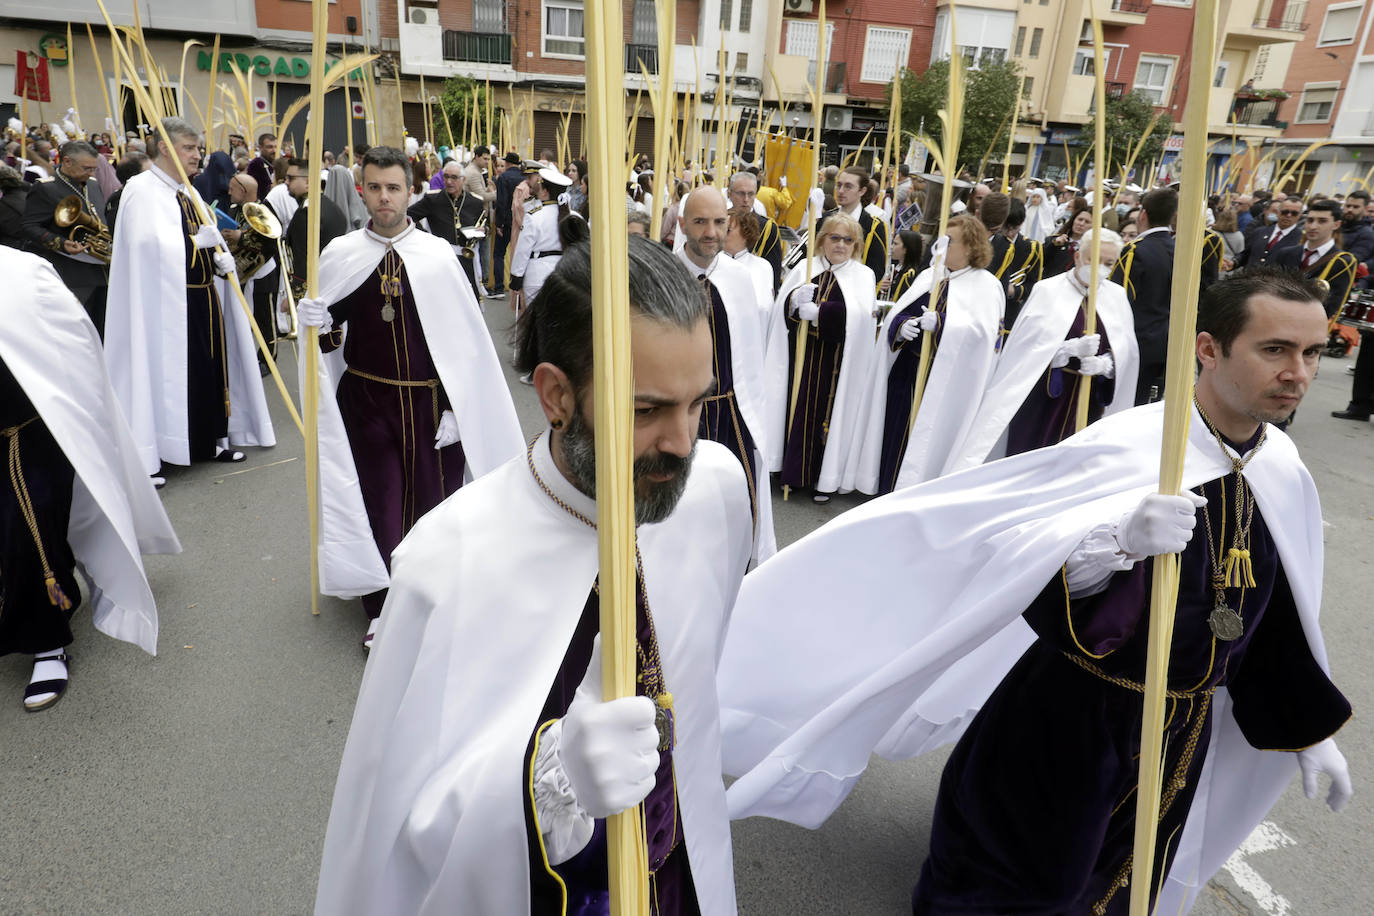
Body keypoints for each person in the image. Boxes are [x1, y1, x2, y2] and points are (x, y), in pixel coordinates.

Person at [718, 266, 1352, 916]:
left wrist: (1305, 729)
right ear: (1210, 348)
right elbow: (1025, 569)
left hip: (1175, 736)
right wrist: (1116, 537)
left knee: (1120, 885)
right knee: (1019, 886)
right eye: (1274, 349)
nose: (1298, 373)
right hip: (1068, 724)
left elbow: (1270, 619)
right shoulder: (1138, 447)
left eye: (1312, 353)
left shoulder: (1280, 469)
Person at [314, 236, 751, 915]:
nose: (682, 443)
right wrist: (554, 785)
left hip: (680, 875)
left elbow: (698, 678)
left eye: (697, 404)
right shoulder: (449, 561)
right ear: (556, 394)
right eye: (647, 410)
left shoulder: (716, 492)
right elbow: (401, 836)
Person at [294, 145, 524, 650]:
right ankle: (382, 608)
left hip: (428, 407)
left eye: (393, 187)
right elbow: (330, 343)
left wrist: (456, 408)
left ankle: (432, 600)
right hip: (367, 401)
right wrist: (317, 324)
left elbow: (463, 347)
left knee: (431, 507)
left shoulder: (438, 257)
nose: (383, 197)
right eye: (374, 187)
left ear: (411, 191)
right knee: (380, 503)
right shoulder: (341, 256)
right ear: (361, 190)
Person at [0, 248, 180, 710]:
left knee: (29, 536)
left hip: (23, 432)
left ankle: (46, 640)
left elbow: (75, 346)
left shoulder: (22, 272)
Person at [106, 117, 275, 479]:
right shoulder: (142, 189)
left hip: (202, 298)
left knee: (210, 369)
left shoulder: (188, 191)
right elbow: (144, 247)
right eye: (189, 148)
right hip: (163, 307)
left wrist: (219, 257)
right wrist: (195, 243)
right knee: (166, 373)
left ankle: (208, 440)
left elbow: (205, 234)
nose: (198, 155)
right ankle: (156, 451)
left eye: (198, 148)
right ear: (166, 148)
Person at [956, 228, 1137, 470]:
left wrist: (1107, 364)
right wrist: (1063, 351)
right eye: (1093, 260)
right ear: (1077, 257)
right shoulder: (1048, 290)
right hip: (1045, 401)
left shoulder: (1116, 296)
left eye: (1108, 263)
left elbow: (1127, 351)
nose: (1099, 268)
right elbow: (1026, 351)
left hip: (1090, 402)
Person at [856, 213, 1005, 495]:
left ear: (972, 246)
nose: (942, 246)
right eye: (942, 239)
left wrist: (943, 325)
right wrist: (903, 326)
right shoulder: (930, 276)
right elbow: (899, 315)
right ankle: (887, 489)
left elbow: (984, 336)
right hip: (908, 371)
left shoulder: (985, 285)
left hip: (946, 382)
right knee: (896, 432)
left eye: (950, 241)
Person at [677, 188, 782, 559]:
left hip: (733, 414)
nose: (711, 231)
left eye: (719, 222)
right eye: (700, 222)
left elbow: (749, 354)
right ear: (682, 224)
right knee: (684, 508)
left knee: (739, 506)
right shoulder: (664, 276)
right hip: (681, 415)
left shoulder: (739, 279)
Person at [775, 212, 878, 502]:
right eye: (835, 238)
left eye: (848, 240)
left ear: (855, 245)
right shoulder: (805, 269)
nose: (841, 245)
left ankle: (823, 478)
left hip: (836, 363)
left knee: (827, 417)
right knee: (797, 411)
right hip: (803, 357)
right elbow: (782, 313)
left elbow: (860, 320)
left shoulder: (863, 275)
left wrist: (821, 313)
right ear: (822, 240)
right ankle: (793, 474)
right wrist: (794, 303)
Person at [21, 140, 109, 334]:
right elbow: (29, 226)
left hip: (102, 272)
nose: (91, 173)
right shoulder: (46, 188)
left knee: (103, 330)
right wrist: (61, 243)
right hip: (72, 272)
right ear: (67, 161)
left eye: (94, 168)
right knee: (77, 331)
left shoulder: (93, 185)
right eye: (86, 168)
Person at [1110, 187, 1178, 403]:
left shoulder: (1135, 250)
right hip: (1166, 341)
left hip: (1135, 342)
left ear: (1143, 215)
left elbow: (1118, 299)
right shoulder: (1179, 250)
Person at [510, 168, 588, 320]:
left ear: (545, 191)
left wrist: (516, 278)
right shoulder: (575, 216)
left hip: (537, 275)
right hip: (568, 273)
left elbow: (523, 250)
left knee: (537, 322)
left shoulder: (534, 216)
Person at [407, 158, 485, 297]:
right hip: (440, 259)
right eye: (446, 177)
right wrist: (425, 236)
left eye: (454, 178)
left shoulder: (475, 201)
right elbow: (408, 216)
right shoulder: (433, 199)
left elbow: (484, 223)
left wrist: (483, 230)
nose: (449, 181)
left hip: (466, 259)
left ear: (463, 179)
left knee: (468, 298)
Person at [1271, 198, 1359, 320]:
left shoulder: (1343, 262)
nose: (1313, 226)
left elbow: (1333, 305)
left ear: (1336, 225)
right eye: (1310, 220)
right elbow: (1270, 289)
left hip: (1308, 325)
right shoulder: (1285, 253)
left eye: (1322, 221)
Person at [283, 159, 349, 303]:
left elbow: (303, 260)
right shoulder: (333, 208)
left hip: (313, 296)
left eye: (291, 178)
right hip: (334, 289)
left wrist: (295, 297)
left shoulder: (306, 214)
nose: (286, 182)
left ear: (307, 182)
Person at [824, 166, 890, 284]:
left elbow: (877, 270)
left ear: (862, 191)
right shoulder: (826, 219)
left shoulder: (873, 226)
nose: (841, 191)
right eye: (839, 185)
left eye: (848, 186)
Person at [990, 197, 1043, 328]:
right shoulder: (989, 242)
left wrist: (1015, 291)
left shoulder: (1032, 248)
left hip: (1008, 315)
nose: (1009, 233)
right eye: (1005, 228)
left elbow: (1034, 286)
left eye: (1014, 228)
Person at [728, 171, 784, 292]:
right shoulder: (720, 221)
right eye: (741, 194)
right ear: (730, 194)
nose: (746, 199)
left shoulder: (767, 227)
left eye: (751, 194)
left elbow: (774, 272)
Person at [491, 151, 525, 294]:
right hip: (519, 222)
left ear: (508, 163)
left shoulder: (503, 178)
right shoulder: (524, 178)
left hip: (505, 222)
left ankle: (499, 287)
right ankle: (518, 287)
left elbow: (501, 202)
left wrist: (499, 223)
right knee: (518, 253)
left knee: (499, 253)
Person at [1237, 196, 1302, 267]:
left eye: (1294, 213)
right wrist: (1234, 262)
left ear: (1300, 215)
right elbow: (1246, 254)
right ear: (1278, 211)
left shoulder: (1300, 239)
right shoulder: (1260, 231)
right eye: (1285, 212)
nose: (1288, 215)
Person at [881, 229, 923, 303]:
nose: (891, 247)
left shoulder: (910, 274)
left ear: (906, 249)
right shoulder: (898, 267)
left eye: (895, 244)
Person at [1338, 189, 1374, 263]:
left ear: (1365, 208)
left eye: (1356, 207)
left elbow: (1352, 260)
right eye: (1348, 206)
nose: (1350, 210)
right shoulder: (1335, 225)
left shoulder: (1367, 234)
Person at [245, 132, 277, 203]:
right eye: (270, 147)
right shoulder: (255, 164)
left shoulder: (279, 162)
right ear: (260, 148)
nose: (274, 150)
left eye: (275, 147)